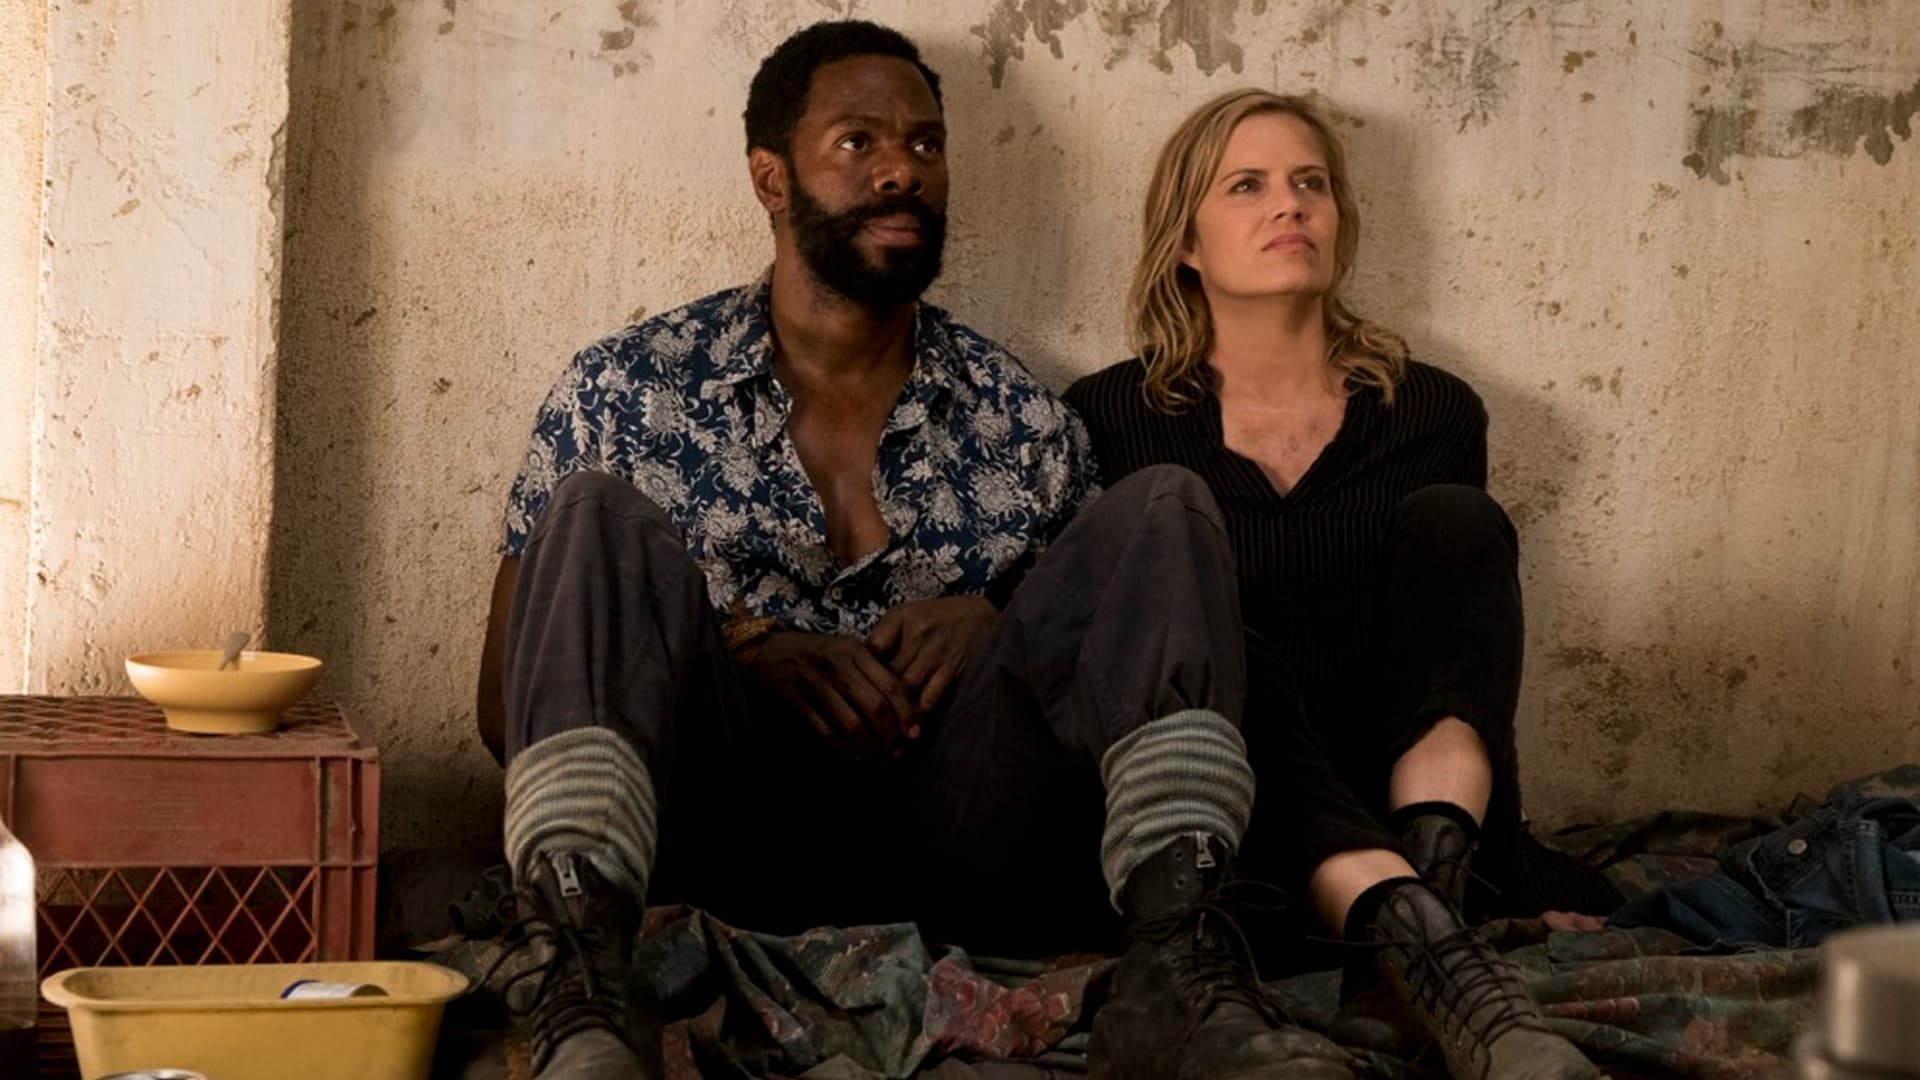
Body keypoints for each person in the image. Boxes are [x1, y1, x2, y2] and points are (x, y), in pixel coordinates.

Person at [478, 24, 1356, 1080]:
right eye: (858, 142)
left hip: (963, 854)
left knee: (1165, 506)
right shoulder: (626, 390)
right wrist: (743, 649)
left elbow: (1095, 669)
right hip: (714, 832)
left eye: (926, 145)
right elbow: (505, 710)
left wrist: (995, 620)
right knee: (595, 511)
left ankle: (1181, 965)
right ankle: (582, 979)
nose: (903, 170)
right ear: (770, 176)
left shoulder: (1020, 417)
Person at [1064, 89, 1610, 1080]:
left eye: (1311, 183)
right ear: (1185, 242)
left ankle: (1423, 919)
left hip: (1406, 802)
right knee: (1223, 638)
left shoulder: (1432, 411)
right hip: (1240, 832)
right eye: (1248, 186)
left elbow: (1448, 647)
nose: (1291, 205)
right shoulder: (1109, 417)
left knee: (1459, 519)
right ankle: (1407, 930)